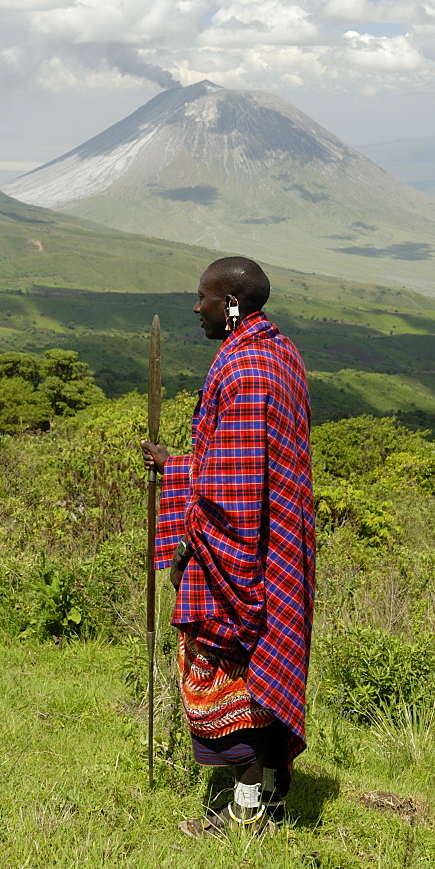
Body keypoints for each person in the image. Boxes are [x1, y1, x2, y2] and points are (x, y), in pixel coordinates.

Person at [141, 256, 315, 837]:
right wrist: (181, 464)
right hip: (283, 543)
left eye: (205, 298)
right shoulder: (281, 353)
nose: (198, 307)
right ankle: (269, 799)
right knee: (267, 669)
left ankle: (242, 815)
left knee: (226, 668)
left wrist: (184, 482)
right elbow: (239, 462)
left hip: (240, 551)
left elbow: (232, 488)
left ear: (232, 304)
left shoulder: (243, 368)